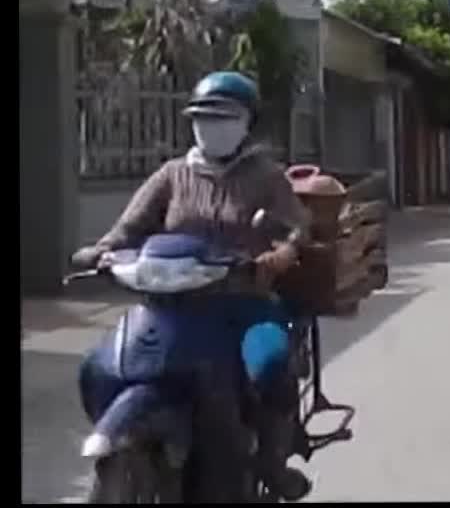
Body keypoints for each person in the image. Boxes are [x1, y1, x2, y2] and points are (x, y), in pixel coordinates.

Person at [74, 71, 313, 501]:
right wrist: (104, 249)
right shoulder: (172, 174)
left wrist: (280, 254)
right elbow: (131, 225)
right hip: (169, 305)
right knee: (97, 367)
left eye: (224, 117)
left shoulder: (266, 176)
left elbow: (297, 228)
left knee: (272, 365)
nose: (212, 126)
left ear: (246, 123)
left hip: (244, 300)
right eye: (203, 117)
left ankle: (273, 465)